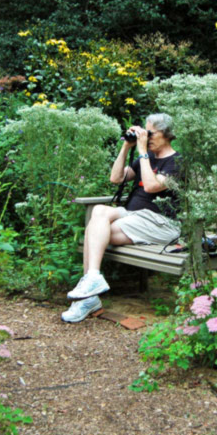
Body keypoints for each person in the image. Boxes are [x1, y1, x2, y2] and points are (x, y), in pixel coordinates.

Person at [61, 113, 181, 323]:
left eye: (150, 132)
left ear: (167, 134)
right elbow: (115, 178)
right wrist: (127, 146)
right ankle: (93, 279)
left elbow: (152, 186)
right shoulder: (147, 157)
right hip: (133, 216)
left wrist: (142, 150)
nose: (147, 136)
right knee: (98, 211)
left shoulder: (177, 162)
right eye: (145, 132)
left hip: (160, 222)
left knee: (94, 231)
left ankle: (88, 297)